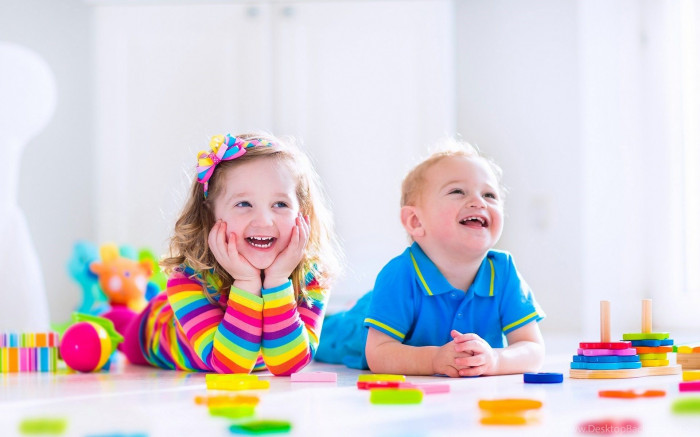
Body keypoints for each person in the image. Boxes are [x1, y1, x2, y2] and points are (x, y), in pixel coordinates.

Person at [316, 139, 545, 377]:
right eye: (457, 191)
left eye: (489, 195)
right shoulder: (400, 274)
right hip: (355, 326)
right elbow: (379, 353)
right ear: (416, 221)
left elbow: (533, 349)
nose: (479, 201)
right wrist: (433, 360)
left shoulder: (504, 272)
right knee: (321, 334)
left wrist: (496, 360)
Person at [120, 132, 340, 375]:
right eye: (244, 204)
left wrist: (277, 281)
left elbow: (288, 365)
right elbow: (231, 366)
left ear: (302, 213)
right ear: (210, 215)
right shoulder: (188, 280)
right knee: (118, 324)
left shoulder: (313, 277)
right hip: (151, 332)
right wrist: (247, 282)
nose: (264, 221)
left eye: (280, 204)